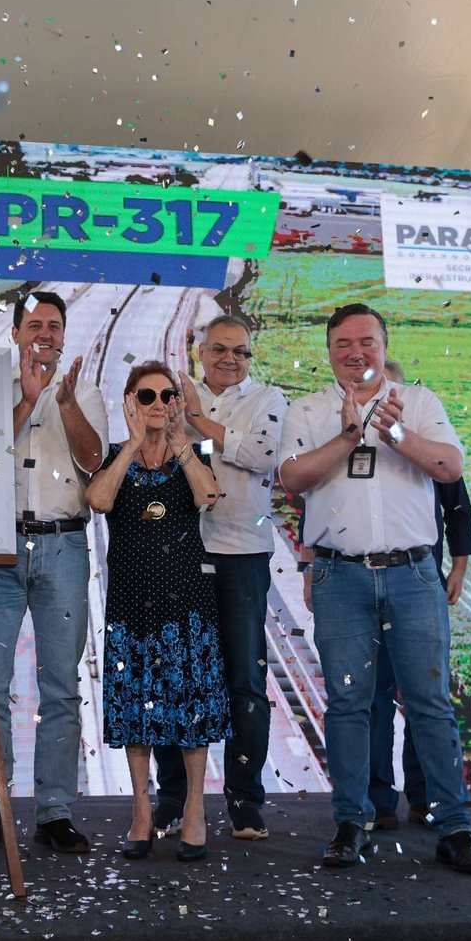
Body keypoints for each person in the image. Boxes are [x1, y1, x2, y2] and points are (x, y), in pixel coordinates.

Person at [279, 303, 471, 876]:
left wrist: (394, 432)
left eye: (366, 342)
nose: (356, 353)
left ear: (384, 345)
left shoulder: (418, 402)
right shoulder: (308, 408)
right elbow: (292, 476)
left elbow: (449, 466)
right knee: (349, 703)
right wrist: (349, 437)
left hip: (413, 574)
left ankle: (455, 827)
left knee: (429, 703)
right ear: (329, 352)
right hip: (339, 576)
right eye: (343, 344)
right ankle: (352, 822)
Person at [0, 291, 107, 855]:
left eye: (54, 325)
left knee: (61, 687)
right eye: (35, 324)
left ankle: (55, 812)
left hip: (63, 545)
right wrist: (27, 400)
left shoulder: (84, 391)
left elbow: (94, 462)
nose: (45, 333)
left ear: (64, 334)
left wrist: (63, 405)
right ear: (16, 331)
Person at [150, 315, 285, 841]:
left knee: (245, 681)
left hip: (243, 555)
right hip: (178, 552)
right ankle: (173, 798)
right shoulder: (169, 395)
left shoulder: (267, 399)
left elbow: (263, 456)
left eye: (241, 351)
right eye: (220, 349)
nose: (231, 359)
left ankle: (245, 800)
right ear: (200, 351)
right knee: (175, 674)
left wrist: (196, 420)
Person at [88, 362, 229, 862]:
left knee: (191, 710)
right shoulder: (114, 456)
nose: (158, 404)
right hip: (132, 604)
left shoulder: (193, 453)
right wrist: (132, 445)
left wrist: (180, 438)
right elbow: (98, 500)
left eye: (167, 395)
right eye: (146, 396)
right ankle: (141, 811)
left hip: (186, 601)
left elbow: (208, 496)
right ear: (129, 401)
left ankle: (195, 810)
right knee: (136, 711)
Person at [368, 357, 471, 830]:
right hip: (362, 579)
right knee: (372, 693)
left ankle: (427, 796)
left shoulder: (427, 444)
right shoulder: (350, 436)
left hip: (420, 575)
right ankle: (376, 798)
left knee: (423, 692)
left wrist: (459, 565)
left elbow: (457, 503)